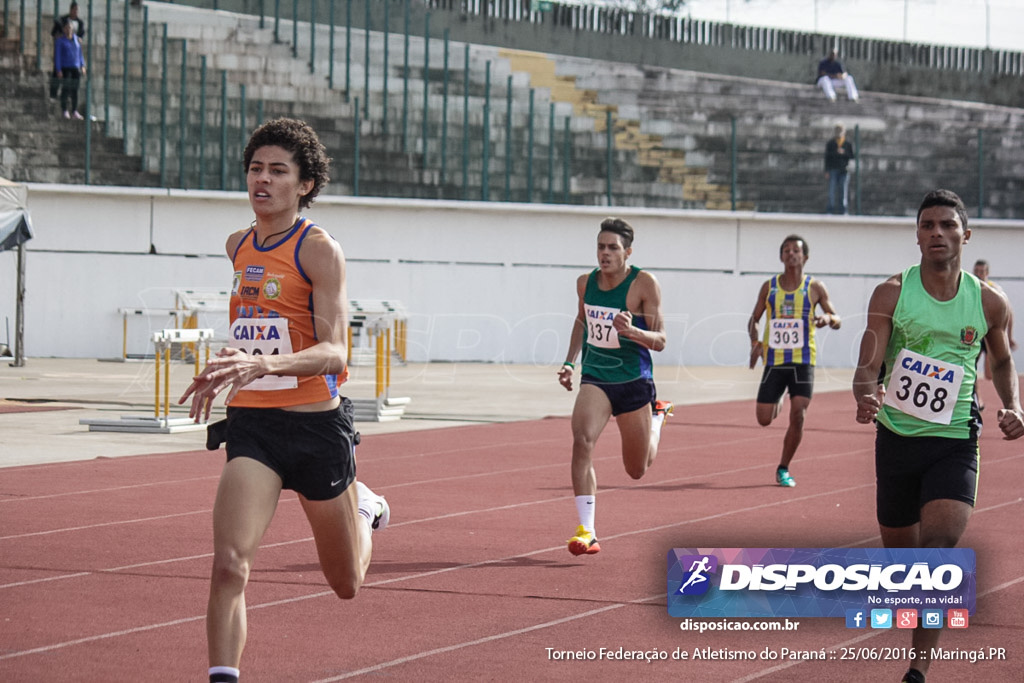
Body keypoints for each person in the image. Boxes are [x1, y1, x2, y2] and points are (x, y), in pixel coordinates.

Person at [178, 118, 390, 683]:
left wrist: (265, 363)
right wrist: (231, 366)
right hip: (255, 428)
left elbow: (335, 353)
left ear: (304, 185)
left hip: (317, 429)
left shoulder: (319, 250)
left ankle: (364, 509)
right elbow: (258, 327)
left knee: (346, 584)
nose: (262, 180)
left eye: (278, 171)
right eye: (255, 169)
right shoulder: (237, 245)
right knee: (228, 564)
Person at [852, 189, 1024, 683]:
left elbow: (1004, 359)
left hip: (955, 440)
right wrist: (866, 395)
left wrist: (1013, 404)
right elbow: (868, 367)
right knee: (904, 568)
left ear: (965, 235)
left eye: (947, 226)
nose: (937, 234)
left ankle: (918, 669)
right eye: (927, 226)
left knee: (938, 550)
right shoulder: (891, 293)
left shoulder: (989, 301)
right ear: (917, 236)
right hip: (897, 440)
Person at [557, 217, 673, 556]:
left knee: (636, 470)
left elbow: (661, 340)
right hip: (596, 377)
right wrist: (569, 362)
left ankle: (657, 419)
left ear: (628, 252)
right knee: (582, 439)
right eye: (600, 247)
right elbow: (582, 320)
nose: (604, 254)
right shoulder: (585, 282)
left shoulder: (644, 284)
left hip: (633, 380)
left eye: (612, 248)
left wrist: (633, 331)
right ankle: (587, 530)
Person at [748, 235, 841, 488]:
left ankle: (783, 467)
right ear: (781, 257)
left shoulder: (815, 288)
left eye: (796, 251)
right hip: (775, 361)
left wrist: (827, 320)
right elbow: (754, 319)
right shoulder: (770, 287)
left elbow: (836, 317)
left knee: (798, 414)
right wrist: (755, 342)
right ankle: (778, 398)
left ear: (805, 257)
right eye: (786, 251)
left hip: (803, 360)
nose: (791, 254)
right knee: (763, 419)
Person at [972, 259, 1017, 409]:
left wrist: (1009, 336)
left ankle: (1008, 401)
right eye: (976, 271)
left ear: (987, 273)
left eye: (982, 271)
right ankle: (978, 399)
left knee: (990, 374)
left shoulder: (995, 290)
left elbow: (1008, 314)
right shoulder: (970, 287)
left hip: (992, 333)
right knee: (972, 367)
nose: (979, 274)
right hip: (976, 334)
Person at [50, 2, 87, 100]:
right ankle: (53, 94)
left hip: (72, 54)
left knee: (71, 78)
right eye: (74, 10)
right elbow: (54, 33)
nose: (76, 12)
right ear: (71, 10)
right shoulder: (62, 20)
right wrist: (58, 36)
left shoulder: (80, 23)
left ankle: (68, 96)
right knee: (57, 71)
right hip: (62, 49)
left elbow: (81, 36)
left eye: (77, 10)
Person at [53, 21, 86, 120]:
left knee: (75, 90)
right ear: (64, 29)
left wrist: (82, 65)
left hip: (75, 67)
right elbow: (57, 56)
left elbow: (79, 53)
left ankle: (74, 110)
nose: (68, 30)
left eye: (70, 28)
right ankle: (64, 110)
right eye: (67, 28)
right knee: (66, 89)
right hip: (65, 67)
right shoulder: (60, 41)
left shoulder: (76, 40)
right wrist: (58, 69)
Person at [824, 123, 854, 215]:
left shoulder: (848, 144)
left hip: (844, 171)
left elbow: (851, 156)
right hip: (833, 169)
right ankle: (830, 210)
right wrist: (826, 170)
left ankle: (843, 210)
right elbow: (827, 157)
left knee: (843, 192)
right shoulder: (831, 143)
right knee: (831, 192)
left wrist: (843, 153)